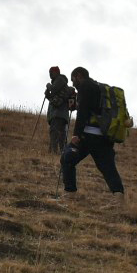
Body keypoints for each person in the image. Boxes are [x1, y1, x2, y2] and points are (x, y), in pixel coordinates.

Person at [58, 66, 125, 202]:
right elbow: (92, 108)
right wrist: (76, 105)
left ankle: (70, 194)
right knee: (107, 167)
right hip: (104, 135)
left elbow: (83, 112)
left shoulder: (85, 86)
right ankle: (118, 198)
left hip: (88, 134)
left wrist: (76, 134)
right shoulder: (98, 87)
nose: (73, 84)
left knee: (67, 158)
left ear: (79, 75)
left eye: (73, 80)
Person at [43, 66, 74, 153]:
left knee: (55, 132)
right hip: (62, 114)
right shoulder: (62, 84)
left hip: (57, 113)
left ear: (56, 72)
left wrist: (48, 85)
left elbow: (53, 90)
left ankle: (54, 152)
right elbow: (55, 99)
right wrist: (48, 96)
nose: (50, 74)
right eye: (49, 72)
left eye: (51, 72)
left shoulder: (59, 80)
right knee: (61, 133)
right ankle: (62, 152)